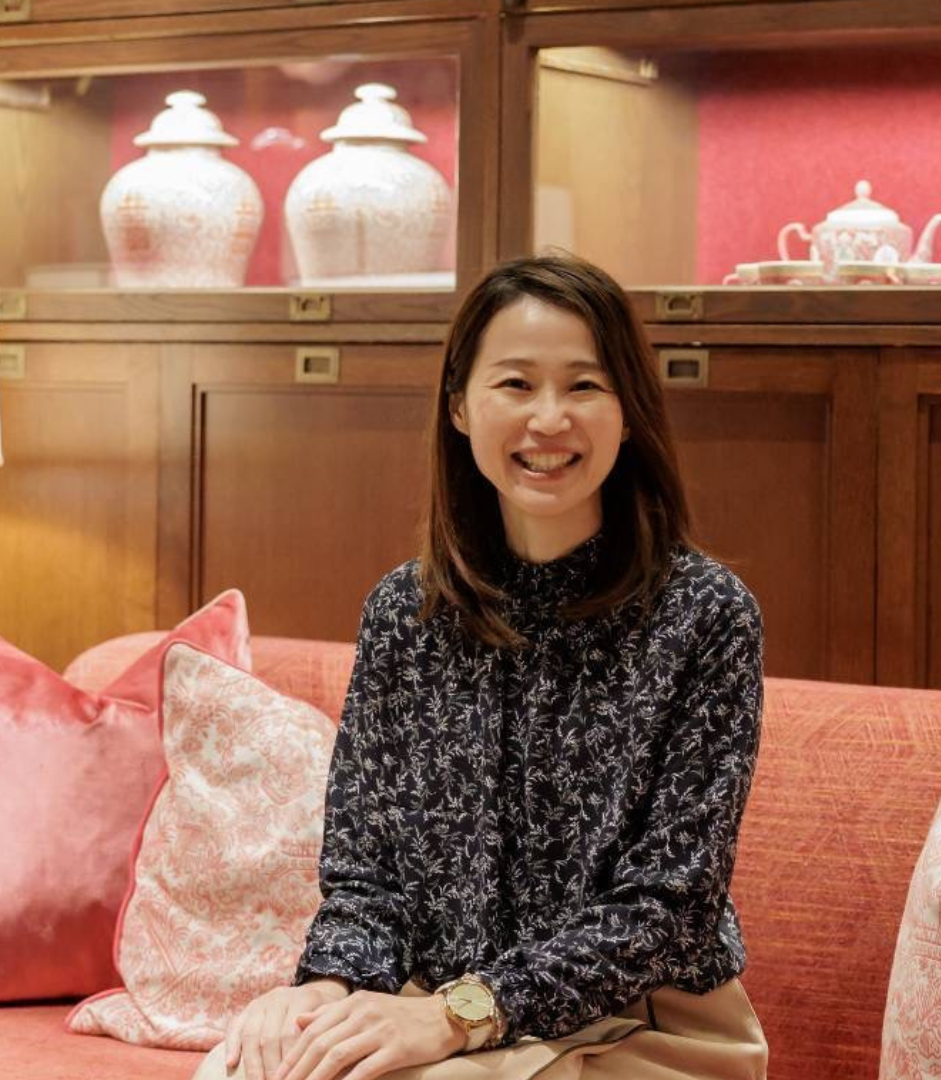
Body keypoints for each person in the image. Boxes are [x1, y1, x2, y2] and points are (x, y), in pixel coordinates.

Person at [195, 253, 767, 1080]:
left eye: (584, 385)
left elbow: (669, 907)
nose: (549, 418)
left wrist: (463, 1013)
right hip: (442, 1012)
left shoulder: (705, 614)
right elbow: (366, 873)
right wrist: (324, 990)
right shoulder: (405, 613)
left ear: (629, 412)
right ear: (460, 405)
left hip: (644, 1024)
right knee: (247, 1068)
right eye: (515, 384)